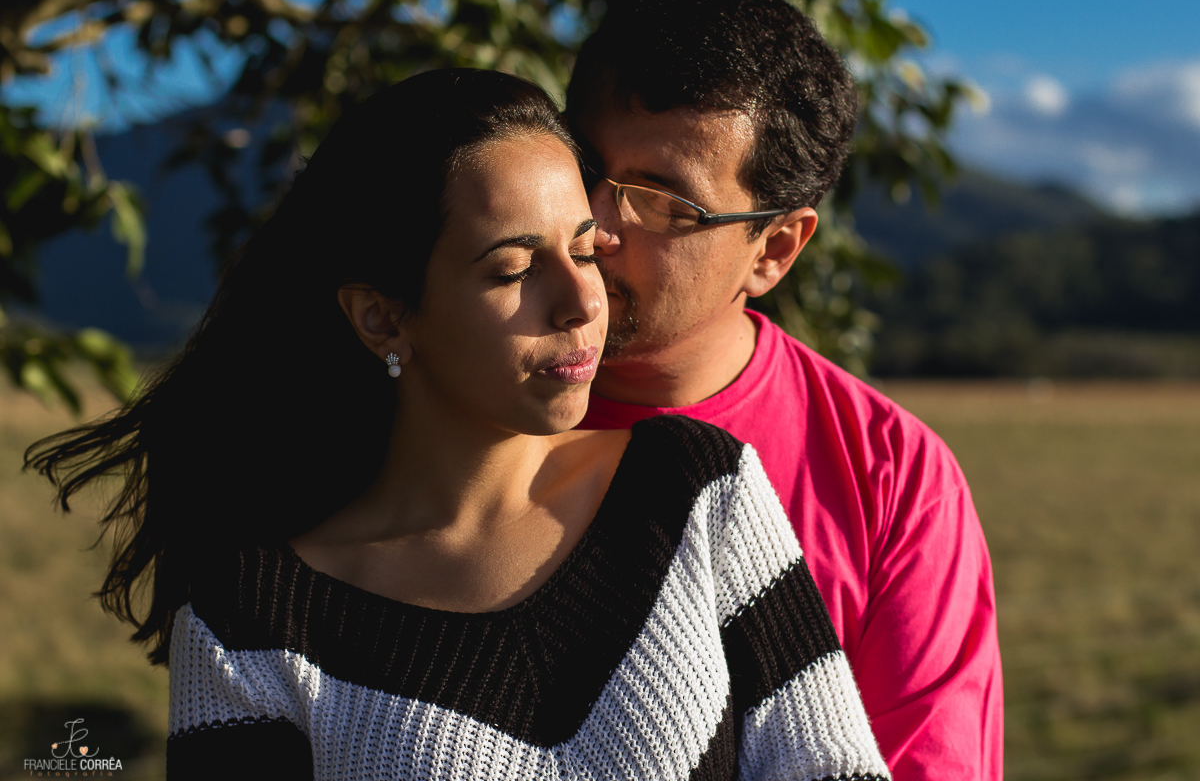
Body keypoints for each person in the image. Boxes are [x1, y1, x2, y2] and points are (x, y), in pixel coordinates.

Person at [26, 69, 890, 780]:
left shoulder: (698, 490)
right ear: (382, 319)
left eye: (585, 249)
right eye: (514, 267)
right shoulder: (251, 622)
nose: (583, 296)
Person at [565, 0, 1003, 779]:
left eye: (664, 204)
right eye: (587, 168)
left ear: (774, 249)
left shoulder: (889, 477)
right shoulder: (437, 403)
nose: (599, 223)